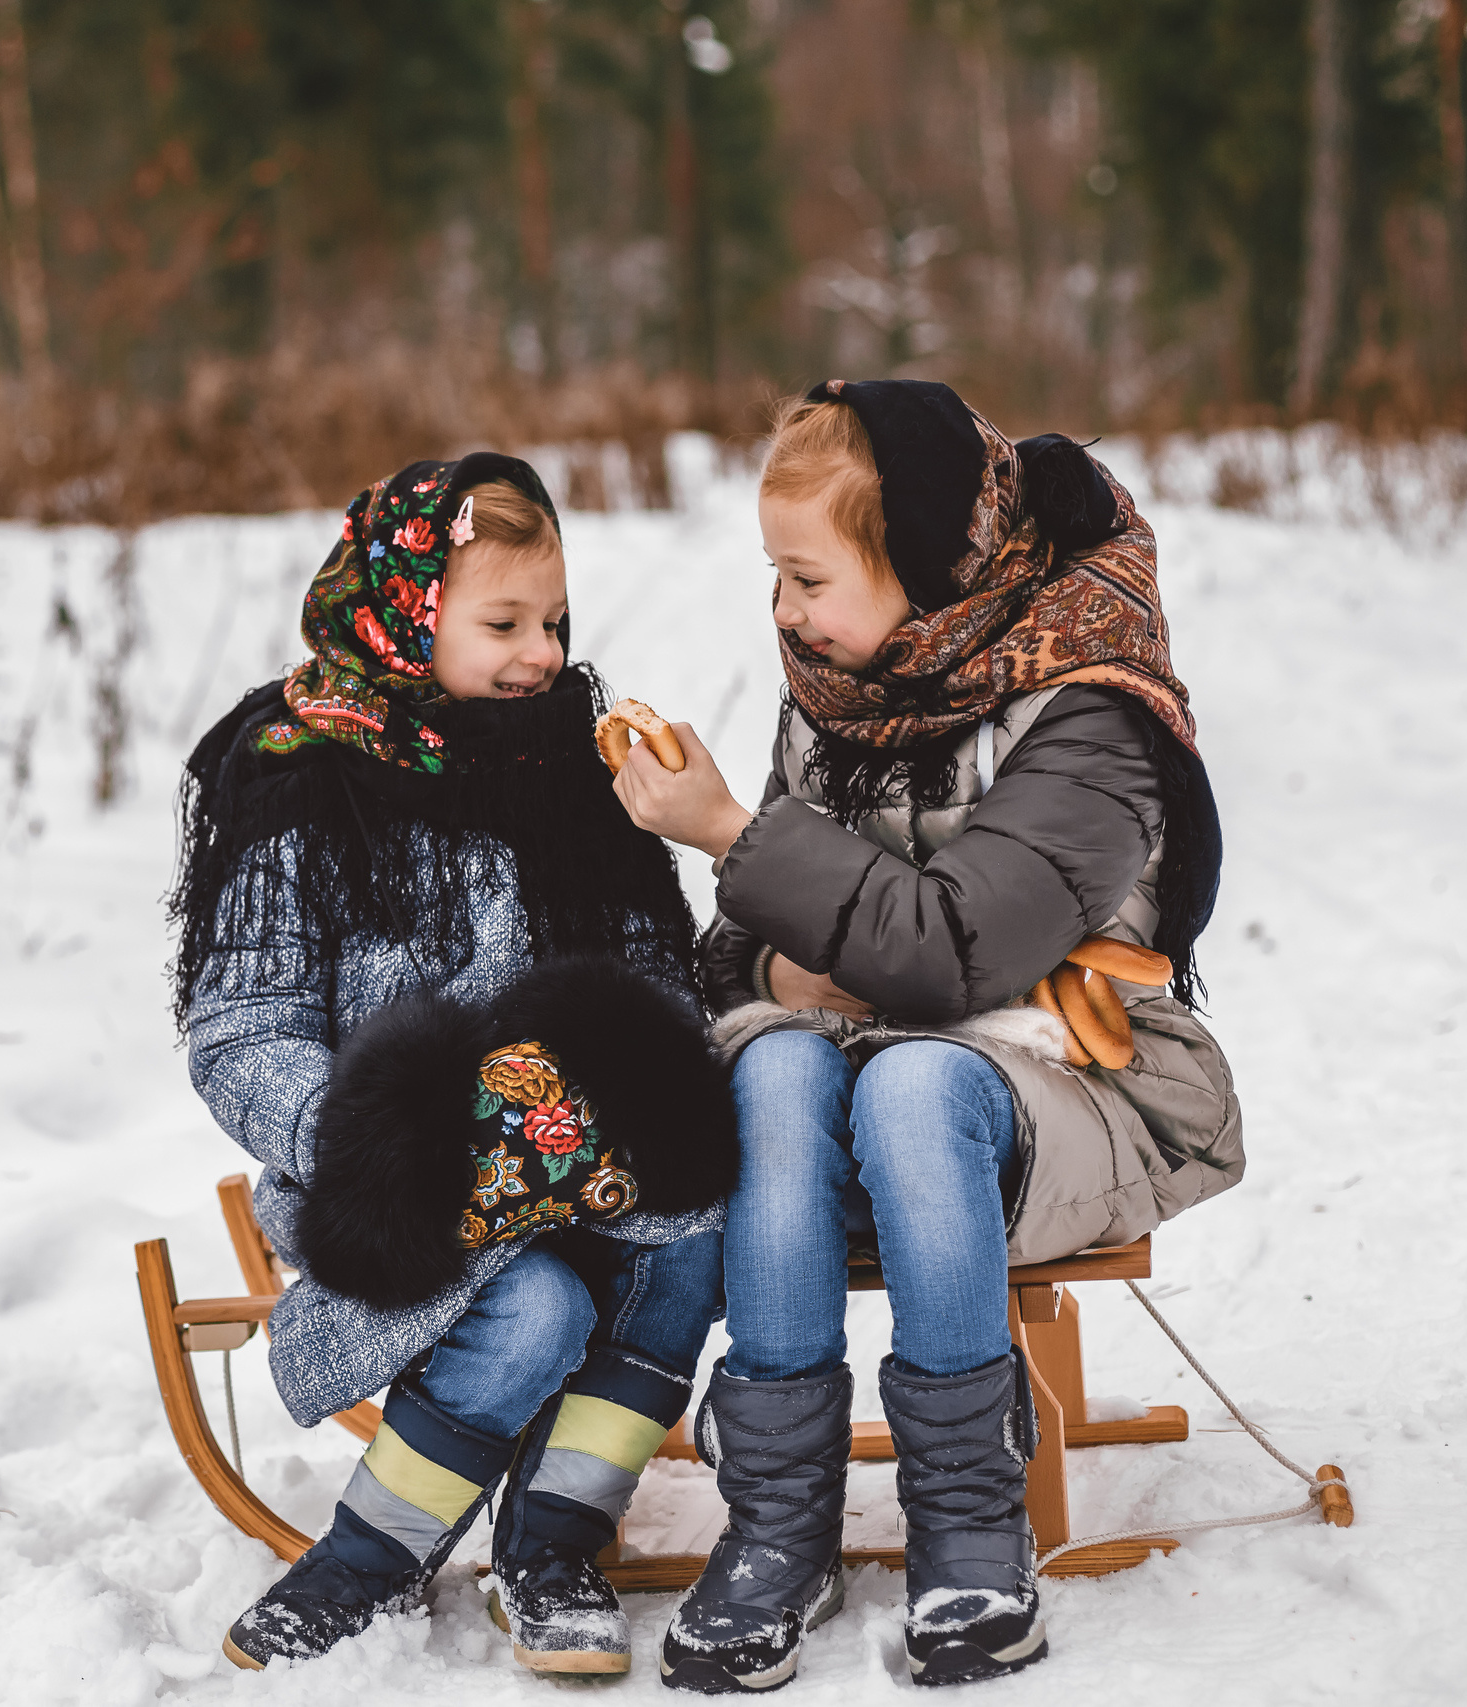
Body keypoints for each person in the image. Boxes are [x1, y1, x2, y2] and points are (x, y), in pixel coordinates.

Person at [612, 382, 1245, 1692]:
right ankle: (781, 1522)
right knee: (778, 1060)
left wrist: (733, 832)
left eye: (806, 577)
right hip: (856, 1083)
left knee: (910, 1082)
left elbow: (959, 949)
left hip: (1076, 1084)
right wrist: (776, 959)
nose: (782, 614)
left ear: (921, 561)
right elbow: (750, 946)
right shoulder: (846, 686)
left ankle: (969, 1518)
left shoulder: (1089, 705)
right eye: (773, 579)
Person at [171, 453, 737, 1677]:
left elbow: (649, 964)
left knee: (683, 1250)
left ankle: (551, 1544)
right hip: (408, 1172)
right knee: (532, 1307)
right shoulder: (297, 773)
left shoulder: (577, 770)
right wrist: (368, 1133)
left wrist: (629, 1085)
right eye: (502, 623)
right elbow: (240, 1025)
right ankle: (368, 1558)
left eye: (554, 621)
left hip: (581, 1151)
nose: (540, 652)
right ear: (407, 610)